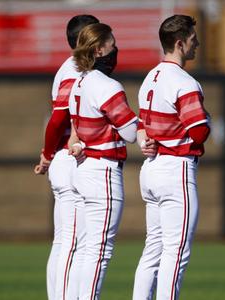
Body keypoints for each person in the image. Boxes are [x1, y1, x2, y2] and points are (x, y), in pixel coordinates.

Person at [132, 15, 210, 300]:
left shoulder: (150, 77)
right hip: (176, 169)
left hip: (151, 169)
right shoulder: (184, 81)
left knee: (153, 249)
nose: (197, 43)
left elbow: (141, 124)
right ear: (180, 43)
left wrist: (145, 141)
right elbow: (200, 132)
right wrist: (209, 120)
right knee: (176, 253)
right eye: (192, 39)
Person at [67, 22, 138, 300]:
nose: (115, 48)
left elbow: (78, 132)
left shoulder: (79, 83)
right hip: (103, 172)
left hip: (84, 170)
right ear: (99, 49)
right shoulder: (107, 86)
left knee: (86, 249)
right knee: (99, 251)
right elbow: (131, 133)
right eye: (112, 43)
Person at [34, 14, 99, 300]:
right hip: (67, 157)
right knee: (71, 243)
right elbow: (59, 117)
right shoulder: (75, 68)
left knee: (67, 242)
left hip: (65, 157)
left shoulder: (77, 67)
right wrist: (48, 153)